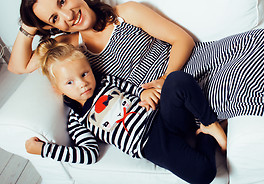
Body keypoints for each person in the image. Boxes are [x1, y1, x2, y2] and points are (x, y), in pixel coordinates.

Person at [9, 0, 264, 120]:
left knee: (255, 43)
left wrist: (167, 77)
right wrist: (29, 26)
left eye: (63, 1)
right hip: (167, 97)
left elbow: (182, 40)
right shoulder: (69, 47)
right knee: (241, 83)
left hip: (191, 62)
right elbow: (18, 66)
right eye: (54, 18)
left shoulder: (126, 12)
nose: (67, 15)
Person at [25, 38, 226, 184]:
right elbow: (88, 154)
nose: (82, 84)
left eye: (84, 73)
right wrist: (44, 150)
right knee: (203, 175)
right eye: (70, 82)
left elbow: (136, 90)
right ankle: (205, 137)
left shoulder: (105, 81)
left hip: (160, 115)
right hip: (150, 145)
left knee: (176, 80)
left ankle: (209, 122)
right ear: (58, 89)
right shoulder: (77, 119)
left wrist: (143, 94)